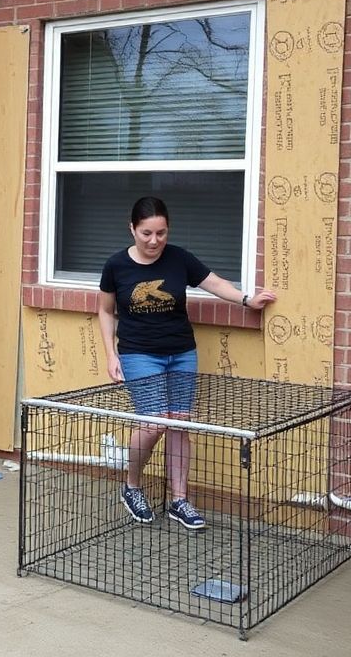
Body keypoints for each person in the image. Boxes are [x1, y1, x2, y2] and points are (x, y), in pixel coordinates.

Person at [97, 196, 276, 530]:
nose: (154, 241)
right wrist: (111, 354)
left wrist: (247, 299)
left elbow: (214, 282)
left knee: (180, 423)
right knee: (153, 423)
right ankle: (132, 485)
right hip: (138, 354)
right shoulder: (116, 266)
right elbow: (106, 311)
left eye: (161, 233)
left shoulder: (179, 258)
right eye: (147, 233)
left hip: (181, 352)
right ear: (132, 229)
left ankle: (179, 500)